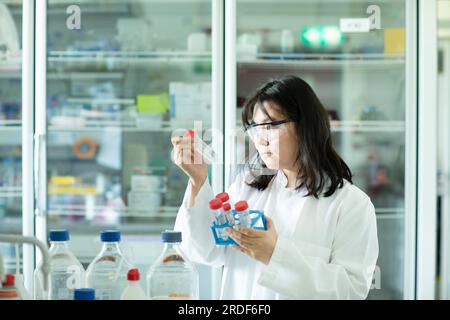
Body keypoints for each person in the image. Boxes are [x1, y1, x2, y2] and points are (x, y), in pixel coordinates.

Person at [171, 75, 379, 299]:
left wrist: (274, 254)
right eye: (256, 128)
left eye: (270, 126)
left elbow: (351, 291)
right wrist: (198, 180)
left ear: (305, 126)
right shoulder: (247, 187)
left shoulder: (350, 205)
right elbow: (206, 250)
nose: (261, 139)